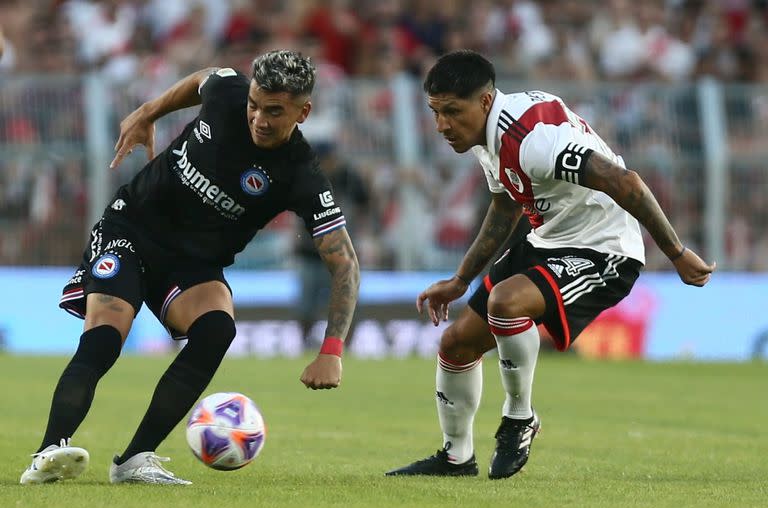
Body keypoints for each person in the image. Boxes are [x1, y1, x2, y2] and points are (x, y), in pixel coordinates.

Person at [20, 50, 360, 485]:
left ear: (304, 111)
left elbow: (345, 264)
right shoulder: (227, 93)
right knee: (105, 336)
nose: (258, 118)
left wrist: (331, 351)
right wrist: (148, 112)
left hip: (193, 262)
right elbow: (202, 78)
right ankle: (50, 451)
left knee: (217, 329)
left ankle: (135, 459)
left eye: (274, 111)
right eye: (255, 104)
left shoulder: (301, 175)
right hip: (133, 229)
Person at [386, 50, 714, 479]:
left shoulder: (532, 140)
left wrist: (676, 253)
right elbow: (505, 206)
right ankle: (455, 457)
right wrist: (461, 279)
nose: (442, 125)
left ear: (484, 102)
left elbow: (624, 181)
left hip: (602, 248)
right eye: (435, 112)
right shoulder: (489, 139)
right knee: (456, 345)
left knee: (506, 303)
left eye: (451, 111)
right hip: (550, 238)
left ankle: (520, 417)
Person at [294, 141, 370, 346]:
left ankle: (347, 348)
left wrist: (359, 236)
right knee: (306, 306)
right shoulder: (306, 179)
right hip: (311, 253)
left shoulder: (350, 178)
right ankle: (304, 343)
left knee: (347, 302)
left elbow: (366, 204)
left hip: (341, 253)